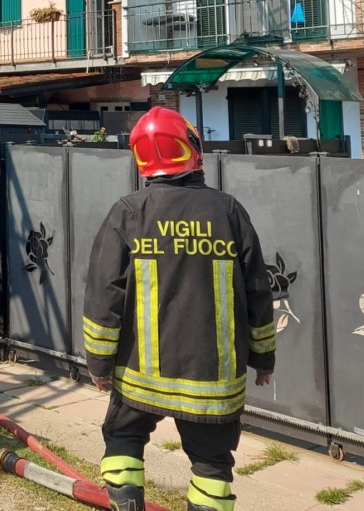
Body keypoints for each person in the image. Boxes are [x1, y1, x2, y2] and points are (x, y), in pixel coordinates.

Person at [82, 106, 275, 511]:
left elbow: (104, 295)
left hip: (140, 379)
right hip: (213, 385)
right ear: (193, 149)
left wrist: (99, 365)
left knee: (122, 441)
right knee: (212, 464)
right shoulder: (228, 212)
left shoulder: (130, 213)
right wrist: (264, 358)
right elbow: (259, 290)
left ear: (141, 159)